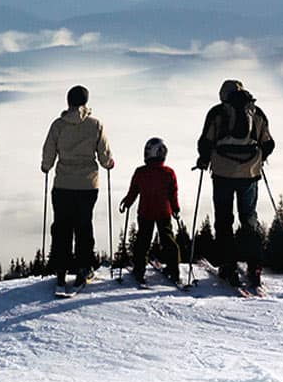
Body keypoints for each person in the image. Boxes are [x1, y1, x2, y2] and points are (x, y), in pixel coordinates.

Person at [195, 79, 275, 289]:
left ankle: (228, 266)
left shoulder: (218, 112)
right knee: (249, 217)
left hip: (222, 173)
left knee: (224, 219)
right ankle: (255, 265)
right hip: (249, 173)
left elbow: (205, 141)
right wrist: (258, 159)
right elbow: (269, 143)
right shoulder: (255, 112)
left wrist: (204, 159)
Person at [41, 85, 115, 289]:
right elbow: (104, 156)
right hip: (87, 185)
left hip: (63, 184)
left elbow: (48, 151)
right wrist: (109, 164)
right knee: (84, 226)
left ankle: (61, 269)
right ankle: (84, 268)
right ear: (86, 102)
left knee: (62, 226)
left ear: (68, 102)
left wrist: (46, 166)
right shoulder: (95, 124)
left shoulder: (58, 125)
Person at [119, 137, 182, 287]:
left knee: (143, 241)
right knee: (168, 240)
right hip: (163, 212)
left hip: (145, 212)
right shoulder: (168, 173)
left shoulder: (141, 172)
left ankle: (139, 270)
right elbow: (173, 193)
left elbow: (134, 191)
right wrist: (176, 209)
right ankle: (174, 270)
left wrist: (127, 203)